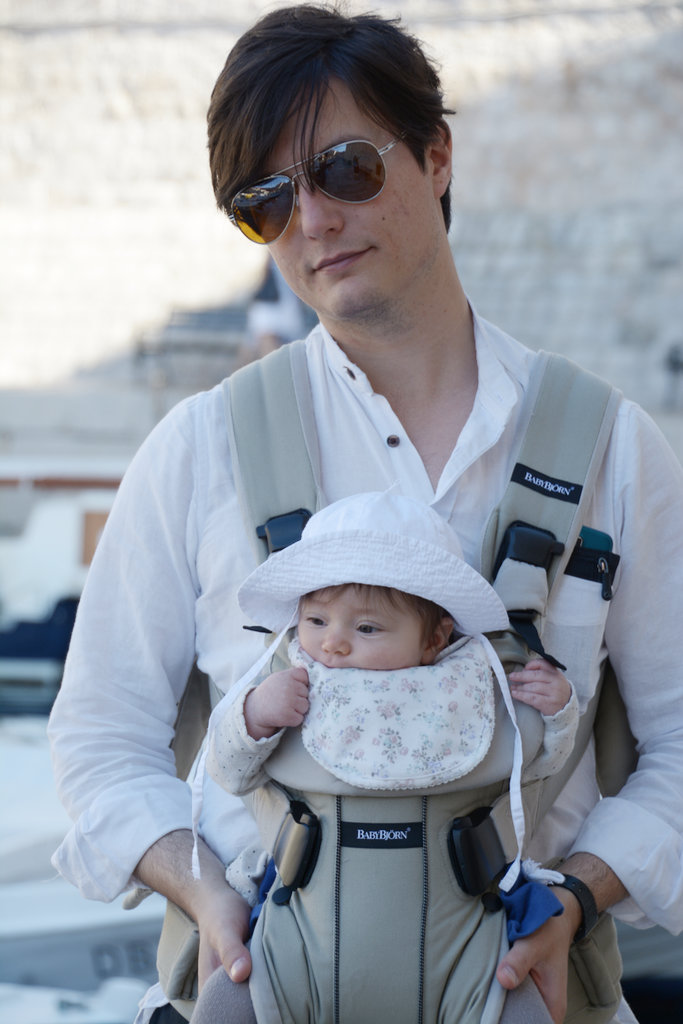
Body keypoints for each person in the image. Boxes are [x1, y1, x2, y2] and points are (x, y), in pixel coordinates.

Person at [47, 5, 683, 1024]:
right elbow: (99, 742)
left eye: (344, 168)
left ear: (435, 156)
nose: (310, 220)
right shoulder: (197, 448)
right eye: (264, 201)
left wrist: (576, 895)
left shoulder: (610, 446)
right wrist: (206, 891)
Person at [191, 490, 578, 1024]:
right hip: (299, 946)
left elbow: (538, 762)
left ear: (435, 639)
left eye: (366, 628)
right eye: (316, 620)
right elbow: (228, 771)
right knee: (226, 1004)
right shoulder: (290, 683)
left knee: (518, 1010)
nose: (333, 645)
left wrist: (558, 711)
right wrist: (255, 715)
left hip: (463, 954)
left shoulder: (470, 692)